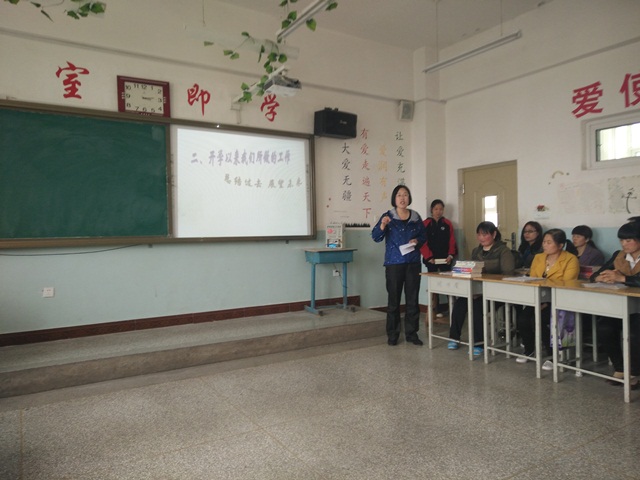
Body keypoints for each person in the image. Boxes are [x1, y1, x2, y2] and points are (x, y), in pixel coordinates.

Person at [515, 229, 580, 369]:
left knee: (543, 320)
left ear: (560, 245)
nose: (545, 245)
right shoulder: (539, 257)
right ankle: (529, 349)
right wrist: (540, 300)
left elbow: (566, 283)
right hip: (539, 298)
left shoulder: (570, 259)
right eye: (544, 242)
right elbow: (533, 279)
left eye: (549, 242)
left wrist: (546, 301)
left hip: (560, 299)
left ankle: (553, 355)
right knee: (523, 319)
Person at [447, 221, 515, 355]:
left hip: (496, 292)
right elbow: (472, 271)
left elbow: (508, 273)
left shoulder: (503, 251)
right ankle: (454, 337)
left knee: (477, 307)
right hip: (477, 290)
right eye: (479, 234)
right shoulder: (476, 251)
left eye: (485, 234)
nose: (481, 238)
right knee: (460, 304)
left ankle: (479, 343)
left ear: (494, 234)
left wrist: (484, 270)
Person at [372, 185, 427, 346]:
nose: (402, 198)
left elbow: (423, 236)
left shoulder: (415, 217)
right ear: (394, 199)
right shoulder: (388, 216)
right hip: (394, 264)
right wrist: (383, 225)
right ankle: (393, 334)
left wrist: (417, 241)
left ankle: (412, 334)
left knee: (412, 300)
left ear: (409, 198)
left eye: (405, 195)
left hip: (413, 263)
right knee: (394, 301)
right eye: (399, 195)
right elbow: (376, 237)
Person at [590, 218, 640, 390]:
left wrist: (622, 278)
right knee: (604, 326)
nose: (624, 244)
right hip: (622, 306)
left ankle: (635, 372)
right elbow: (596, 274)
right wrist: (601, 277)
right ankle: (620, 368)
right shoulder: (618, 256)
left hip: (638, 309)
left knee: (635, 333)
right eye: (622, 240)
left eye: (628, 240)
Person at [420, 199, 457, 318]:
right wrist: (428, 257)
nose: (438, 211)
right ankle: (435, 309)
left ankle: (453, 309)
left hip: (445, 259)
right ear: (432, 210)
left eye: (441, 209)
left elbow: (452, 240)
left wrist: (450, 255)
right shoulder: (425, 223)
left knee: (448, 284)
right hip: (431, 260)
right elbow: (422, 242)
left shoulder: (447, 223)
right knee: (434, 285)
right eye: (436, 209)